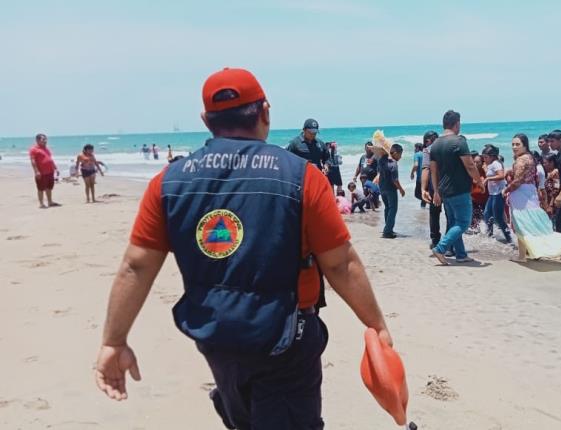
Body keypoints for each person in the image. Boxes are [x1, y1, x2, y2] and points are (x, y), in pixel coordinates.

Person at [94, 68, 393, 429]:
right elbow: (340, 263)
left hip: (215, 336)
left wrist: (113, 341)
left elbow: (136, 266)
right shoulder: (301, 176)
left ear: (206, 121)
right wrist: (375, 325)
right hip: (286, 339)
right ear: (265, 111)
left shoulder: (168, 182)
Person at [504, 134, 561, 262]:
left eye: (517, 144)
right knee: (531, 224)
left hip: (521, 194)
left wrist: (506, 190)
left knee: (522, 225)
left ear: (524, 145)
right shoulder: (530, 157)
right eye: (513, 144)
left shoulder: (521, 160)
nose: (514, 147)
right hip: (530, 192)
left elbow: (518, 180)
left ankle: (524, 255)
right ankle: (524, 255)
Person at [429, 110, 482, 265]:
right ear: (457, 123)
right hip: (459, 189)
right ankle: (440, 248)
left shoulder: (435, 144)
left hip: (444, 191)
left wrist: (436, 191)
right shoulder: (459, 141)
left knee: (453, 223)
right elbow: (470, 165)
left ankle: (460, 254)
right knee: (463, 222)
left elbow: (433, 170)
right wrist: (479, 182)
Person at [373, 142, 405, 239]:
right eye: (400, 154)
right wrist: (401, 189)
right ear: (395, 153)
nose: (400, 157)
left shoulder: (382, 160)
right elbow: (395, 180)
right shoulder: (393, 164)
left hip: (382, 188)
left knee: (387, 208)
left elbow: (378, 170)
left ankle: (388, 228)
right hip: (391, 189)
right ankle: (387, 231)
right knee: (393, 209)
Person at [481, 145, 511, 242]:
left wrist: (488, 179)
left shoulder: (496, 163)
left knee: (498, 218)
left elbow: (501, 176)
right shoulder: (491, 164)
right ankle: (489, 235)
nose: (484, 159)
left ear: (492, 156)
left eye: (485, 157)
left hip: (498, 193)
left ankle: (509, 238)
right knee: (487, 214)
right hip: (492, 194)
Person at [419, 130, 444, 249]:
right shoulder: (446, 147)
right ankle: (451, 244)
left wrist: (423, 189)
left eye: (425, 141)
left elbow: (426, 169)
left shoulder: (428, 150)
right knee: (451, 214)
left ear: (428, 140)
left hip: (434, 187)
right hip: (449, 185)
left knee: (434, 214)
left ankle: (435, 240)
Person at [29, 133, 60, 209]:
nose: (45, 141)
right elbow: (33, 161)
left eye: (46, 139)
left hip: (50, 171)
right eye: (43, 139)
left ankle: (50, 202)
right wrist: (36, 171)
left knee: (49, 188)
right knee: (40, 188)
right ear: (37, 140)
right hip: (41, 173)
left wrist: (56, 168)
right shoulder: (34, 149)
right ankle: (41, 203)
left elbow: (50, 159)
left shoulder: (46, 149)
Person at [469, 154, 488, 233]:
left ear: (482, 163)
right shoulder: (471, 172)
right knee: (474, 223)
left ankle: (488, 236)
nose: (476, 164)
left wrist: (486, 170)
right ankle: (476, 240)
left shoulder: (486, 172)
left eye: (478, 162)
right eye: (474, 162)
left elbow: (492, 182)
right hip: (473, 200)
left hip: (485, 200)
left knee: (486, 220)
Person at [541, 153, 560, 219]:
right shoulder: (548, 174)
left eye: (545, 163)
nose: (543, 165)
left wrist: (551, 205)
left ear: (552, 163)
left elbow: (556, 189)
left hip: (553, 205)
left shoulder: (555, 174)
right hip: (548, 204)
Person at [410, 142, 426, 208]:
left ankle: (429, 201)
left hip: (420, 178)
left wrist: (412, 173)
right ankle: (423, 209)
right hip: (427, 177)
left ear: (417, 148)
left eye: (415, 148)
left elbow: (416, 165)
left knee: (417, 194)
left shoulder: (417, 154)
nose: (414, 149)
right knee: (424, 192)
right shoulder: (425, 154)